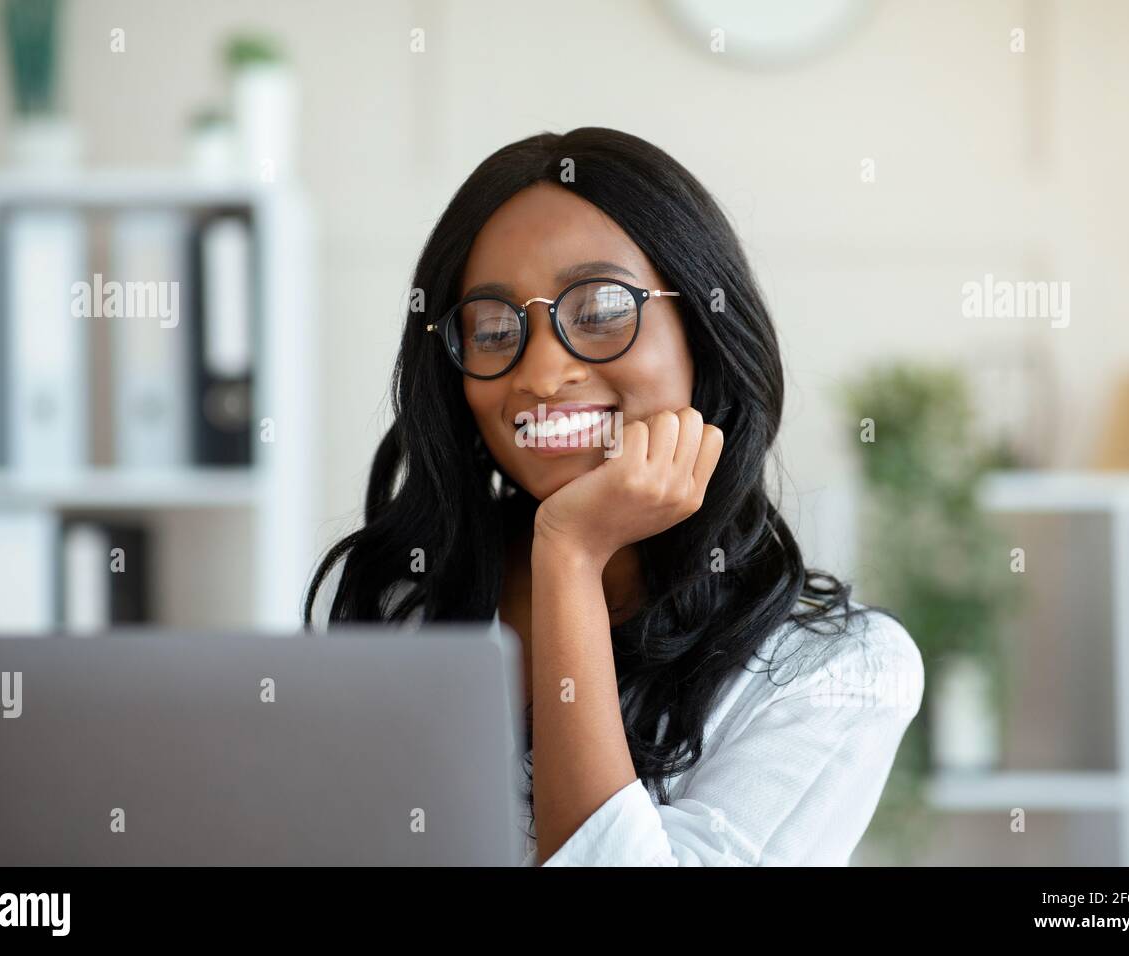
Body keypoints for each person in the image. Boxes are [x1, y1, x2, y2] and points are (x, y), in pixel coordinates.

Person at [307, 127, 924, 866]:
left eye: (599, 312)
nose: (540, 372)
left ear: (703, 329)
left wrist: (569, 557)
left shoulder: (837, 672)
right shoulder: (397, 600)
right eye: (496, 328)